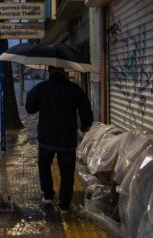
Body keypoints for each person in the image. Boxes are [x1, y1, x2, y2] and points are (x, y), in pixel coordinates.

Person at [25, 66, 93, 214]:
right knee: (67, 172)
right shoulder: (74, 89)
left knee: (44, 166)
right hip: (67, 139)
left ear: (49, 71)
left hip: (46, 138)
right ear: (64, 71)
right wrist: (85, 124)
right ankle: (64, 205)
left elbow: (30, 108)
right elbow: (85, 108)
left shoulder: (41, 88)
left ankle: (48, 195)